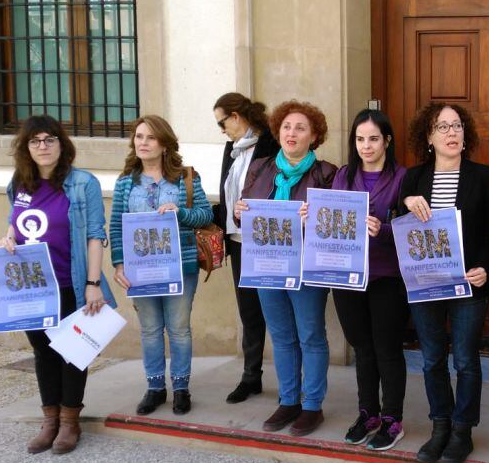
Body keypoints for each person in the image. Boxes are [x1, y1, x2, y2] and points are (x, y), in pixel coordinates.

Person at [0, 115, 116, 454]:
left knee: (72, 352)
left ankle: (69, 422)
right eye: (35, 141)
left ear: (61, 144)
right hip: (33, 286)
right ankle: (49, 420)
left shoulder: (83, 183)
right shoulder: (20, 183)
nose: (43, 146)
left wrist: (93, 283)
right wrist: (7, 238)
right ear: (26, 148)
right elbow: (14, 222)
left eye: (50, 139)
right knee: (42, 352)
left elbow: (96, 234)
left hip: (70, 281)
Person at [399, 102, 489, 463]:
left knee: (466, 360)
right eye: (442, 127)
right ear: (428, 136)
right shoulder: (413, 177)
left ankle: (462, 430)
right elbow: (398, 217)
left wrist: (486, 267)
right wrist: (406, 201)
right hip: (425, 283)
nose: (451, 133)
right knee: (431, 359)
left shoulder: (483, 176)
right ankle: (439, 425)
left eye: (456, 126)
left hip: (468, 284)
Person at [234, 100, 337, 436]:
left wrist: (316, 217)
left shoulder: (326, 173)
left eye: (301, 128)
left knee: (310, 335)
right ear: (278, 132)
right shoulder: (261, 168)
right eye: (287, 127)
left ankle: (312, 405)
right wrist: (239, 210)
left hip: (307, 268)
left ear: (314, 136)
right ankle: (289, 399)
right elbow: (247, 213)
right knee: (281, 337)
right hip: (267, 266)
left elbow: (336, 222)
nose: (292, 133)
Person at [110, 116, 214, 416]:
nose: (142, 143)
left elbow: (205, 216)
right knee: (151, 330)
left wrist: (180, 212)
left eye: (150, 138)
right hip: (140, 269)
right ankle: (155, 387)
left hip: (180, 266)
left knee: (179, 329)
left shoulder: (185, 178)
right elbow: (116, 225)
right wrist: (119, 263)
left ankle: (181, 387)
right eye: (139, 137)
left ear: (165, 144)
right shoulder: (126, 182)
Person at [331, 109, 409, 450]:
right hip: (348, 275)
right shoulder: (344, 176)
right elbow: (331, 218)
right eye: (360, 139)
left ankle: (393, 419)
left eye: (374, 139)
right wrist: (313, 216)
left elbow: (415, 227)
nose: (366, 146)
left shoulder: (404, 177)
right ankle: (369, 413)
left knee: (387, 349)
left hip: (387, 275)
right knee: (362, 347)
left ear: (387, 141)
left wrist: (385, 229)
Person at [213, 92, 279, 404]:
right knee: (249, 314)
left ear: (237, 117)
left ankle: (291, 385)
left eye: (222, 122)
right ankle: (251, 376)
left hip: (267, 244)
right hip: (238, 243)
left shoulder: (271, 144)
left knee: (278, 314)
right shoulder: (232, 149)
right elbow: (228, 194)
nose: (221, 130)